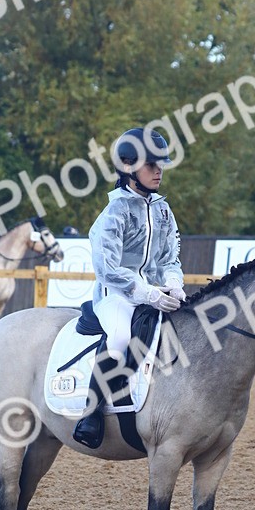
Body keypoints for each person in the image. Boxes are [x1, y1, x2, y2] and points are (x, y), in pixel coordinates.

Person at [72, 127, 185, 448]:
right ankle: (90, 414)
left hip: (156, 293)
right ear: (128, 168)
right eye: (151, 165)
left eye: (161, 164)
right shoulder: (114, 212)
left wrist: (174, 284)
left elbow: (170, 257)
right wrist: (146, 293)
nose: (158, 170)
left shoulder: (163, 209)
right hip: (116, 296)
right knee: (120, 336)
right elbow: (108, 269)